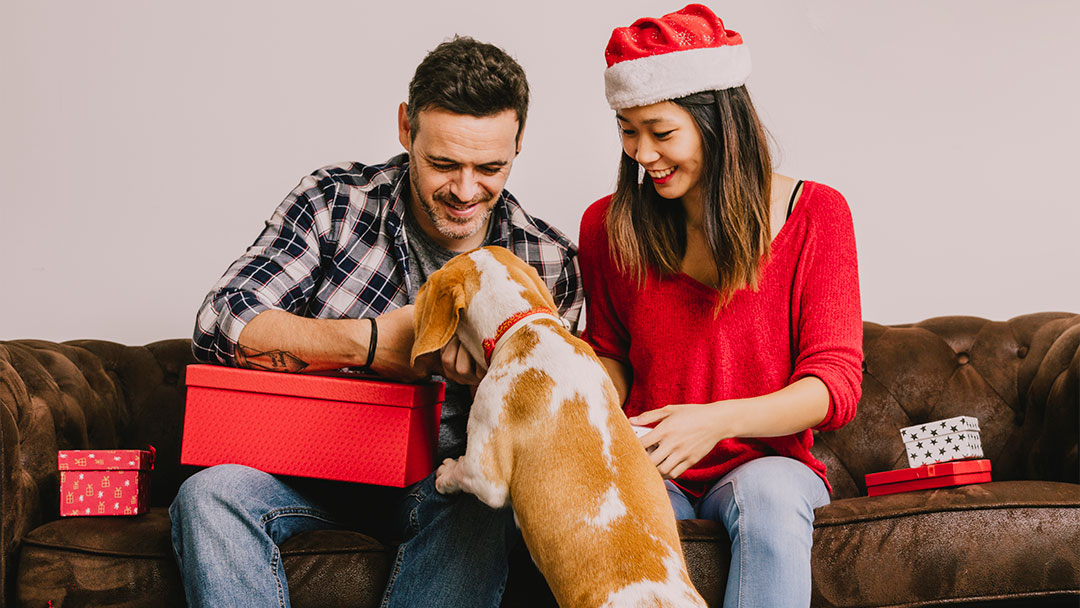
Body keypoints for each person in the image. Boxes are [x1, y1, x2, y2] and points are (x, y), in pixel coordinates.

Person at [170, 36, 583, 608]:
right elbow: (221, 320)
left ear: (518, 144)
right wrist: (370, 344)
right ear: (405, 129)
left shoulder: (548, 260)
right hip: (308, 467)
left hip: (446, 483)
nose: (466, 191)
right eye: (442, 163)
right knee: (209, 494)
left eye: (491, 167)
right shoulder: (334, 203)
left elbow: (561, 423)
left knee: (488, 506)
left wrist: (500, 376)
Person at [579, 5, 863, 607]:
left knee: (767, 494)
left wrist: (715, 420)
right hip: (654, 462)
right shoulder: (606, 226)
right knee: (609, 504)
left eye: (661, 131)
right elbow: (612, 354)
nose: (641, 153)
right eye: (627, 130)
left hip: (767, 462)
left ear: (718, 124)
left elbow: (834, 386)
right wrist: (586, 389)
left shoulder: (817, 215)